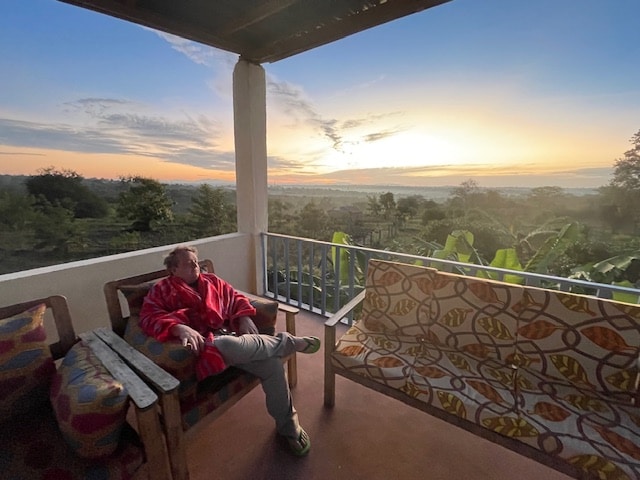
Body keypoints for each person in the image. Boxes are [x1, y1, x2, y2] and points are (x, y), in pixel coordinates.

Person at [139, 245, 320, 456]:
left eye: (196, 261)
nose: (195, 265)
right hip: (207, 345)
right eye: (189, 263)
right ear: (173, 269)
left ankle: (288, 427)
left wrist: (243, 317)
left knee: (272, 366)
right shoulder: (162, 290)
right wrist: (179, 328)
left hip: (233, 338)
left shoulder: (212, 281)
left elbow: (235, 296)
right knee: (226, 345)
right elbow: (148, 317)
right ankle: (288, 342)